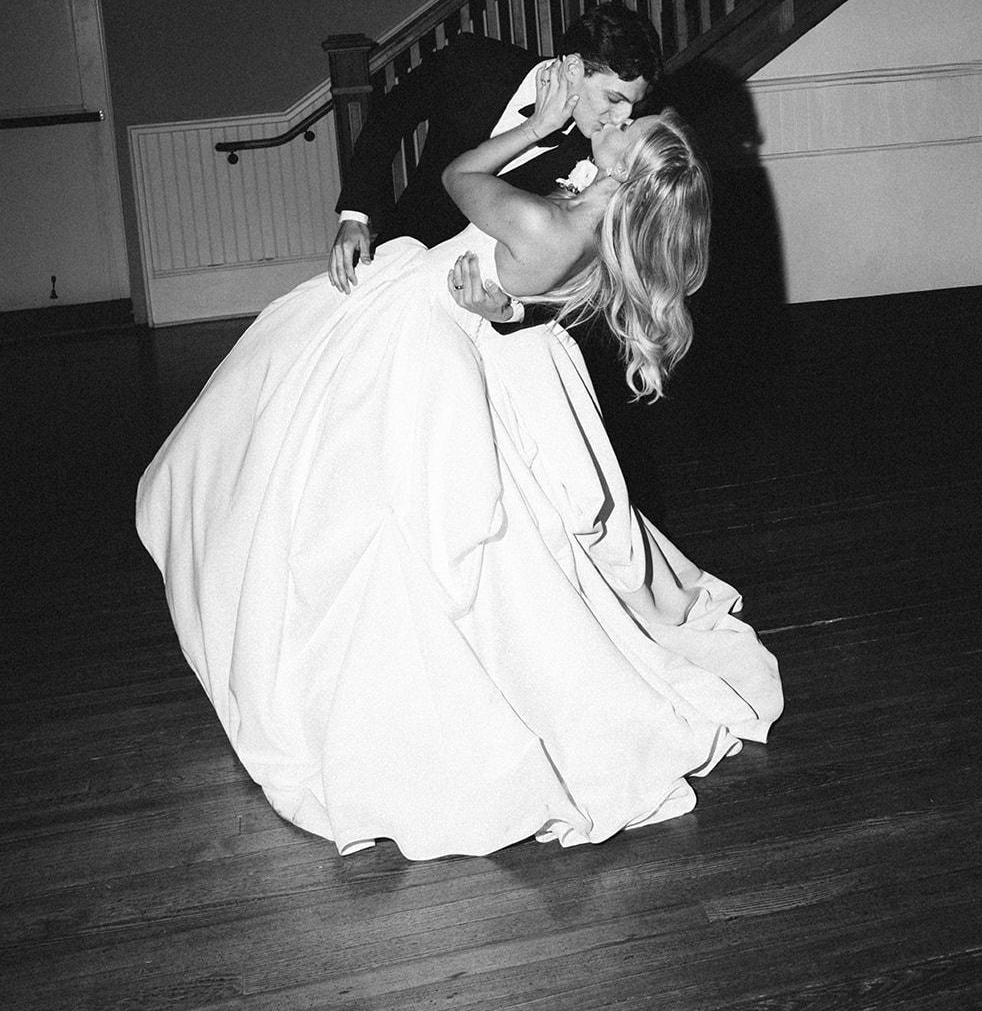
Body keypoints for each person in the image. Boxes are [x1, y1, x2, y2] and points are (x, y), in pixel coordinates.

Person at [136, 63, 783, 860]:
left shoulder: (549, 223)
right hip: (459, 334)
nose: (615, 122)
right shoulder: (597, 224)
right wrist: (508, 304)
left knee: (342, 493)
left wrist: (537, 126)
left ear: (625, 174)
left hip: (415, 335)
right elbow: (533, 291)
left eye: (627, 129)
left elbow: (456, 176)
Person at [329, 1, 664, 301]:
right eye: (614, 99)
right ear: (574, 68)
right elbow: (390, 117)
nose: (622, 117)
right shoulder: (475, 60)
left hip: (472, 311)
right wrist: (355, 215)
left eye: (631, 105)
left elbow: (585, 269)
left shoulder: (601, 157)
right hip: (398, 253)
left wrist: (509, 312)